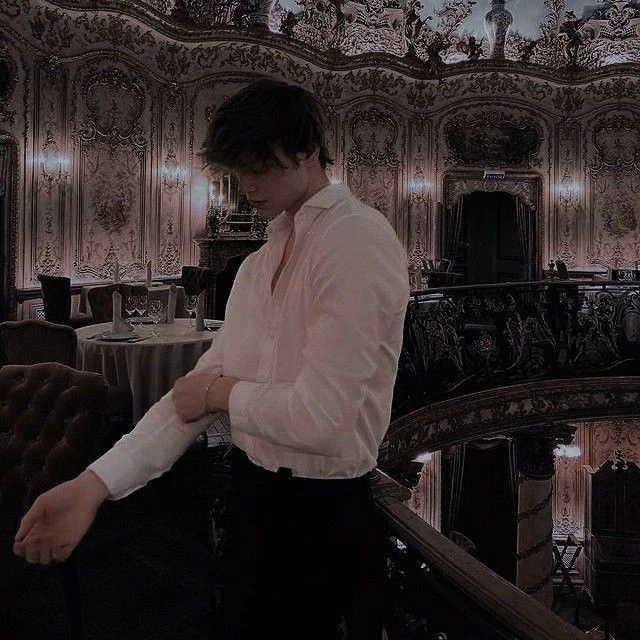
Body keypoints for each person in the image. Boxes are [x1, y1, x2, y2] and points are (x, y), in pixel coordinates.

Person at [13, 79, 410, 639]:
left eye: (257, 167)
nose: (245, 186)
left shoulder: (357, 240)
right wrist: (94, 484)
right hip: (250, 497)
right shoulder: (255, 267)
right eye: (236, 171)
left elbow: (326, 420)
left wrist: (221, 394)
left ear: (305, 149)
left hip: (325, 516)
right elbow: (190, 397)